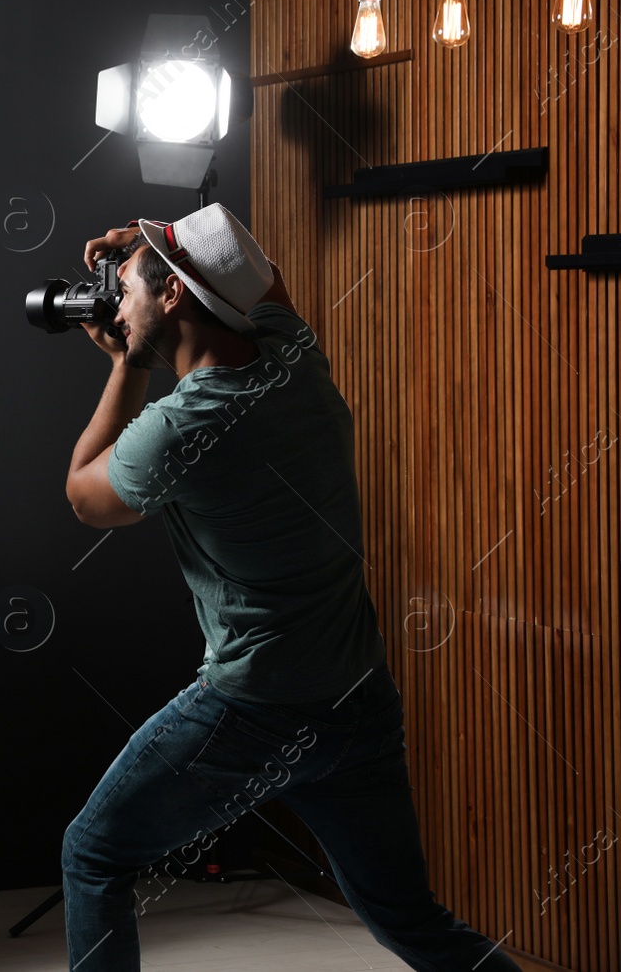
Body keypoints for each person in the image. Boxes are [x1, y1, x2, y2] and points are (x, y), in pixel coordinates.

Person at [59, 203, 519, 972]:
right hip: (357, 700)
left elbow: (83, 495)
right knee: (415, 922)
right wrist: (147, 250)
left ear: (173, 298)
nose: (116, 303)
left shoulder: (182, 428)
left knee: (93, 853)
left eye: (130, 290)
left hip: (252, 710)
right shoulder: (292, 355)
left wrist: (124, 363)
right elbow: (258, 279)